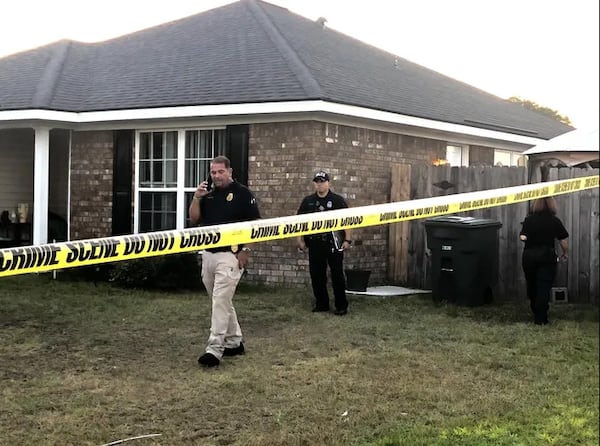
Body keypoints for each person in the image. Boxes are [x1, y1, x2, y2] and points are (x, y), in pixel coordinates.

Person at [189, 155, 261, 367]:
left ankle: (214, 349)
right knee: (220, 300)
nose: (217, 176)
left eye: (220, 172)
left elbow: (256, 224)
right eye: (213, 172)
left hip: (230, 255)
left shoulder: (242, 193)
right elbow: (194, 219)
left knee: (220, 302)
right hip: (208, 254)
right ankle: (234, 342)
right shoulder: (208, 195)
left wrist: (247, 249)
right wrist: (196, 198)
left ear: (230, 172)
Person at [297, 171, 352, 315]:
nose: (320, 184)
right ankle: (322, 304)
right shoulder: (308, 201)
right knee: (317, 275)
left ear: (329, 183)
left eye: (322, 181)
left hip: (333, 243)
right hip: (315, 244)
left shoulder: (337, 200)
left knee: (337, 275)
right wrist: (300, 240)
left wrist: (347, 240)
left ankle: (341, 306)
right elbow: (299, 222)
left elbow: (347, 221)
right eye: (317, 181)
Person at [519, 197, 568, 325]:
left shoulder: (529, 220)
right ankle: (541, 318)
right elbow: (563, 240)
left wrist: (524, 237)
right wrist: (565, 253)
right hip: (546, 256)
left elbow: (522, 236)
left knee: (532, 284)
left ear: (536, 205)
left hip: (529, 256)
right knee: (543, 286)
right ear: (552, 205)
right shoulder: (554, 221)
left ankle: (536, 310)